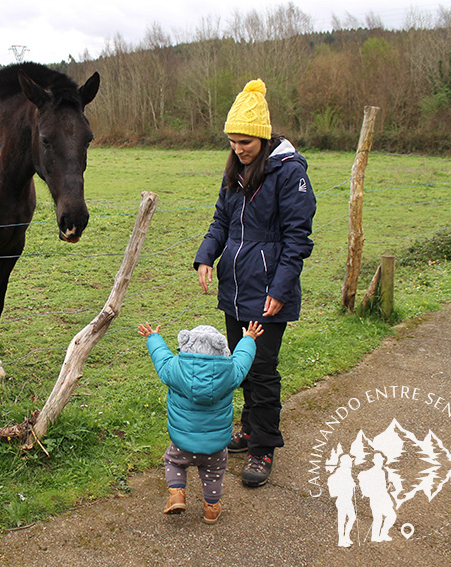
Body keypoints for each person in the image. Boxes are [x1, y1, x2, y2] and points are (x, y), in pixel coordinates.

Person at [194, 78, 316, 488]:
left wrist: (280, 290)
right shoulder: (235, 172)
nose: (238, 149)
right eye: (232, 141)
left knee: (261, 372)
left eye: (244, 141)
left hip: (267, 292)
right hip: (234, 288)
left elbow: (298, 239)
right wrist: (205, 256)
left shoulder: (289, 174)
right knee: (239, 367)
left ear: (263, 138)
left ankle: (263, 448)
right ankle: (247, 431)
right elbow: (221, 223)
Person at [138, 321, 263, 524]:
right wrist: (248, 338)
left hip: (182, 443)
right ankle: (211, 508)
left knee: (173, 461)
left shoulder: (175, 369)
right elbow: (243, 359)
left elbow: (161, 357)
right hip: (216, 446)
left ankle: (177, 493)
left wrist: (153, 338)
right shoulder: (230, 372)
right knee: (213, 473)